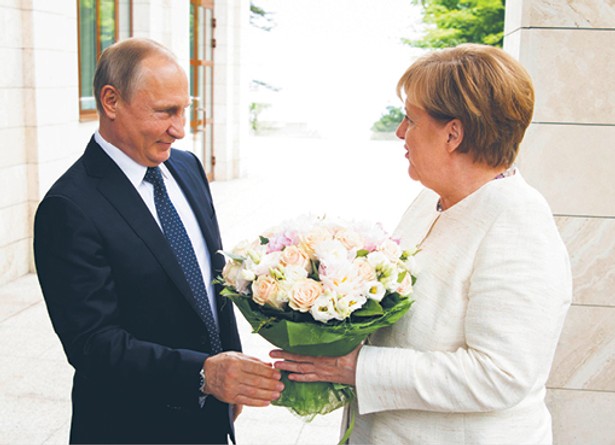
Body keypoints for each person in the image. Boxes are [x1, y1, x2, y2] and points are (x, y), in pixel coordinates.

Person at [271, 43, 572, 444]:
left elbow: (502, 375)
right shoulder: (432, 201)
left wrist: (357, 368)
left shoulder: (517, 224)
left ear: (453, 133)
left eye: (410, 119)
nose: (400, 132)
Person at [34, 37, 283, 444]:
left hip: (208, 416)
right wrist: (204, 373)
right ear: (111, 101)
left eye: (184, 110)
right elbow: (93, 345)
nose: (179, 130)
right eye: (165, 112)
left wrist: (228, 375)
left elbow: (210, 284)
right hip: (128, 427)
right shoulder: (68, 207)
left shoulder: (186, 168)